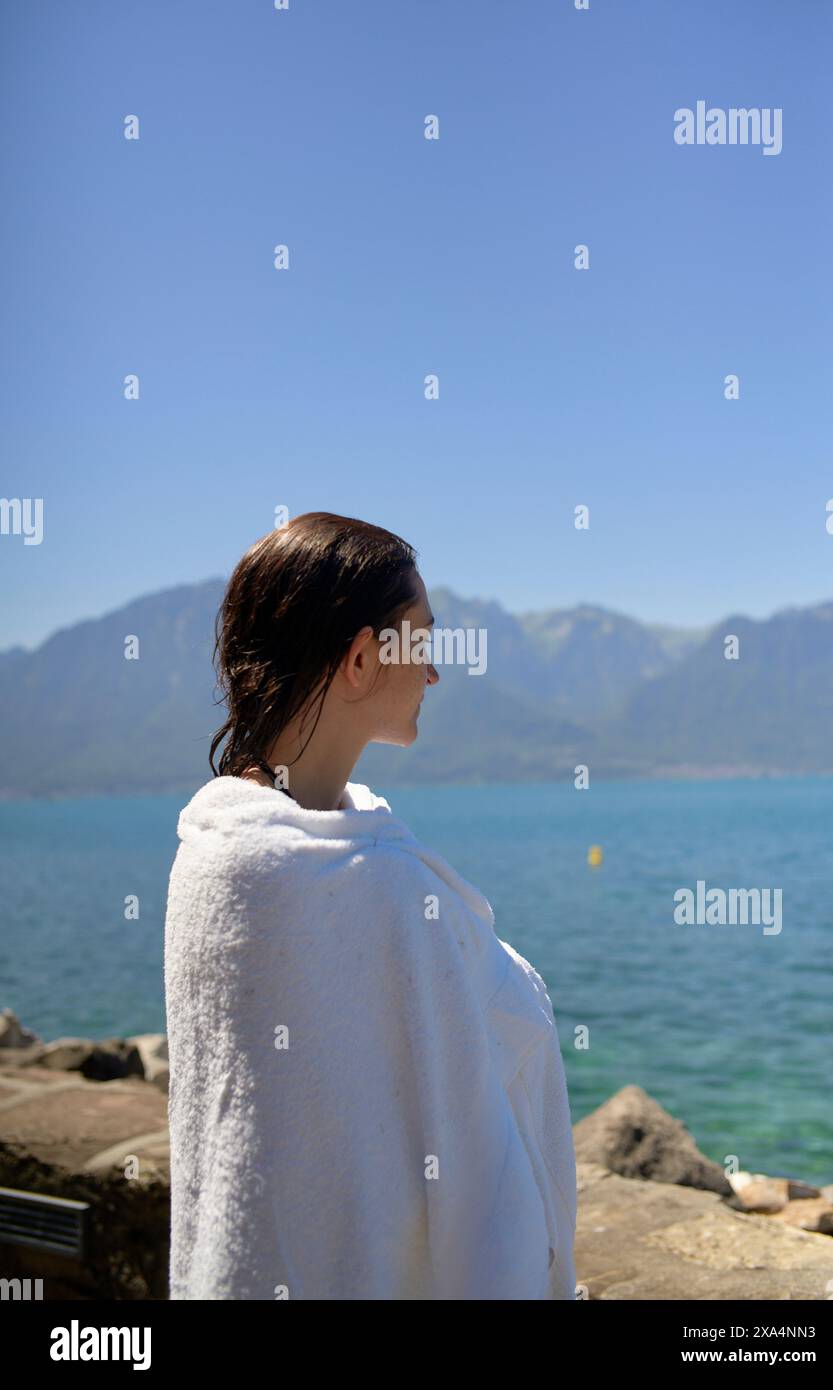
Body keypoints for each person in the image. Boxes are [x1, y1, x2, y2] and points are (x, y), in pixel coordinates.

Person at [164, 512, 578, 1299]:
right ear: (360, 659)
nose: (434, 673)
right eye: (420, 640)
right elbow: (470, 1151)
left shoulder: (210, 853)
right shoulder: (381, 890)